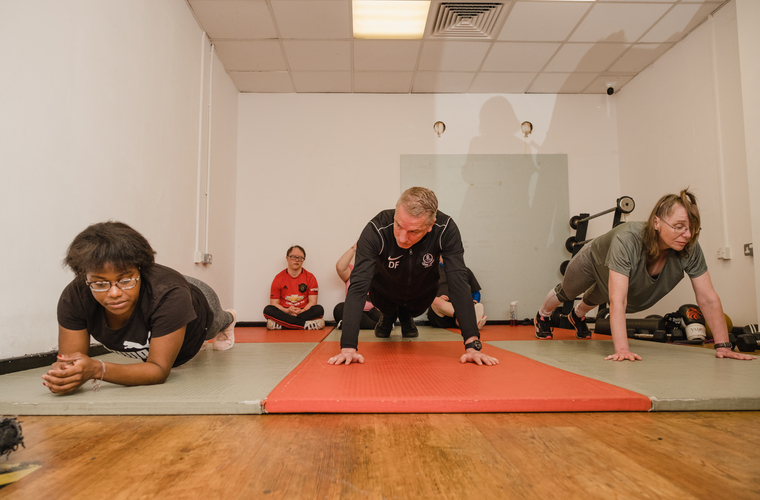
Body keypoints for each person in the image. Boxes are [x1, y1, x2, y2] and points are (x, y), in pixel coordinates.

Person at [534, 189, 755, 362]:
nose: (687, 235)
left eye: (691, 228)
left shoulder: (689, 248)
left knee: (595, 298)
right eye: (679, 227)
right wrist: (622, 350)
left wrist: (724, 346)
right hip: (594, 259)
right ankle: (542, 316)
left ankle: (577, 317)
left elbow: (707, 297)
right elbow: (618, 300)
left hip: (613, 271)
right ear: (656, 222)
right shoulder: (628, 240)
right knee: (568, 292)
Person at [43, 221, 237, 394]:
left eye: (125, 280)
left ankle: (230, 318)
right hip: (161, 292)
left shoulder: (171, 295)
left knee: (216, 322)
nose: (114, 293)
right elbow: (70, 361)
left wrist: (96, 369)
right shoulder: (75, 296)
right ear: (86, 278)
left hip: (196, 302)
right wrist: (66, 375)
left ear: (141, 271)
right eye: (100, 284)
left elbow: (158, 370)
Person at [328, 187, 499, 366]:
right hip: (384, 293)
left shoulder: (445, 229)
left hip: (421, 294)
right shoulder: (375, 230)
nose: (402, 238)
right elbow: (358, 286)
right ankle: (387, 316)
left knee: (414, 307)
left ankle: (406, 317)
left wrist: (472, 345)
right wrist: (348, 347)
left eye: (414, 231)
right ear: (396, 210)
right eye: (398, 225)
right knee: (385, 307)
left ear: (431, 225)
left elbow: (458, 281)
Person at [263, 245, 325, 330]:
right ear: (287, 258)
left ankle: (283, 325)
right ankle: (304, 325)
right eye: (293, 257)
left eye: (300, 258)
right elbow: (274, 303)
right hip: (285, 312)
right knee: (268, 310)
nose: (296, 260)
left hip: (303, 312)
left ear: (303, 260)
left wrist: (301, 311)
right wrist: (287, 311)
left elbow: (313, 302)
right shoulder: (278, 278)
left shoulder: (310, 277)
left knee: (319, 309)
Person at [428, 258, 487, 330]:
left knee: (461, 321)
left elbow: (476, 293)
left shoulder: (465, 271)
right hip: (439, 312)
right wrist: (437, 297)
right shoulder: (432, 272)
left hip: (460, 308)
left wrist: (474, 302)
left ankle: (469, 322)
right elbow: (423, 294)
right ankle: (471, 319)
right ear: (439, 257)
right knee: (435, 301)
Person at [333, 243, 381, 330]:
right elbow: (340, 267)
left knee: (385, 313)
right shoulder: (352, 270)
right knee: (340, 308)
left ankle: (349, 325)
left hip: (374, 312)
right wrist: (355, 247)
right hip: (353, 310)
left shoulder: (380, 272)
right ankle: (377, 326)